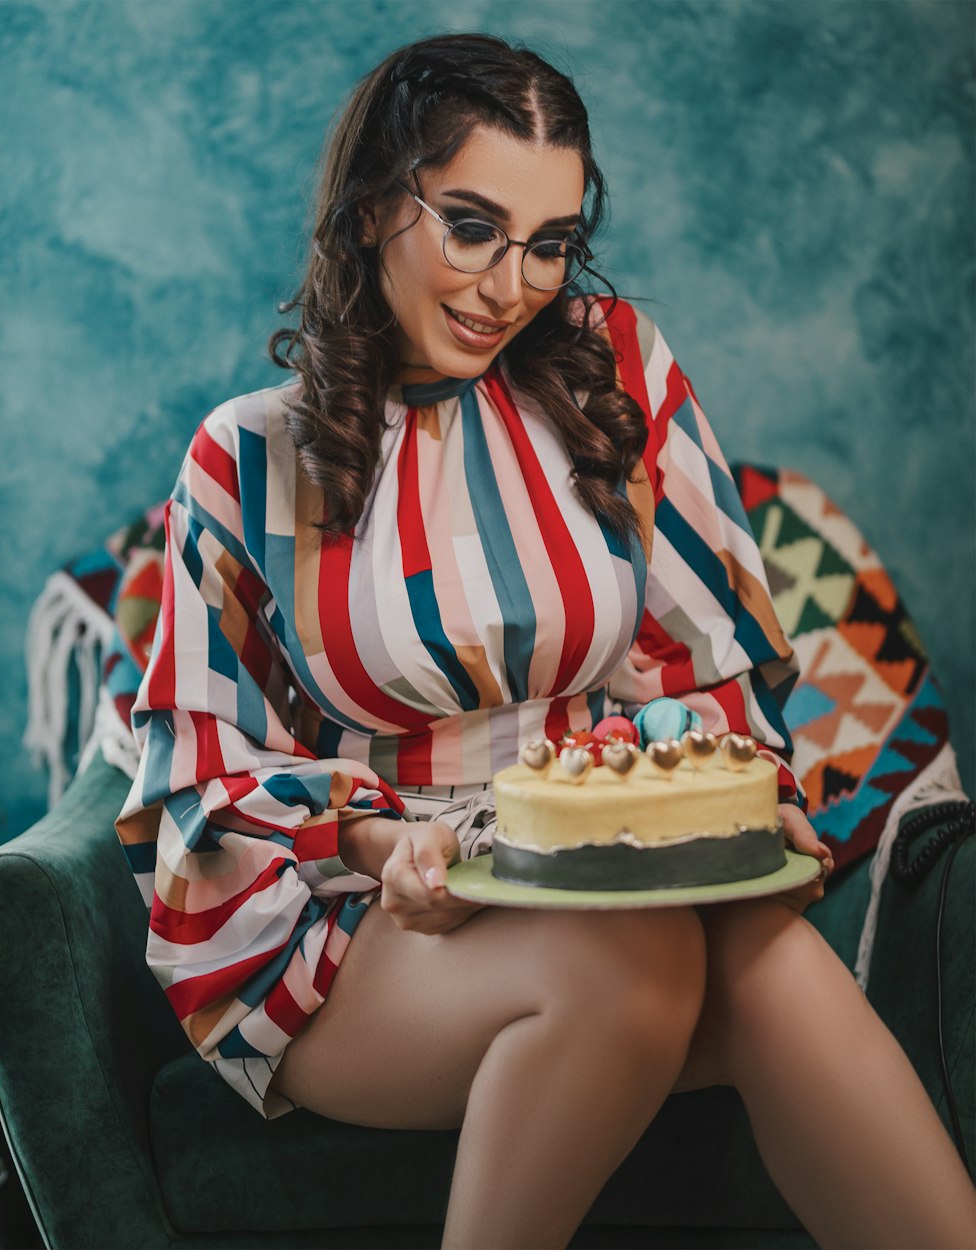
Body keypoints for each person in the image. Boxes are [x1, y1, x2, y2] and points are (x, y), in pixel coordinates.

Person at [115, 33, 976, 1250]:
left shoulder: (610, 373)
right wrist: (382, 838)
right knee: (630, 972)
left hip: (606, 882)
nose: (512, 282)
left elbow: (699, 663)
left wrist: (735, 801)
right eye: (472, 225)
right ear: (372, 210)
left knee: (776, 961)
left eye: (551, 241)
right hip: (362, 917)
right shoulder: (249, 455)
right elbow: (205, 766)